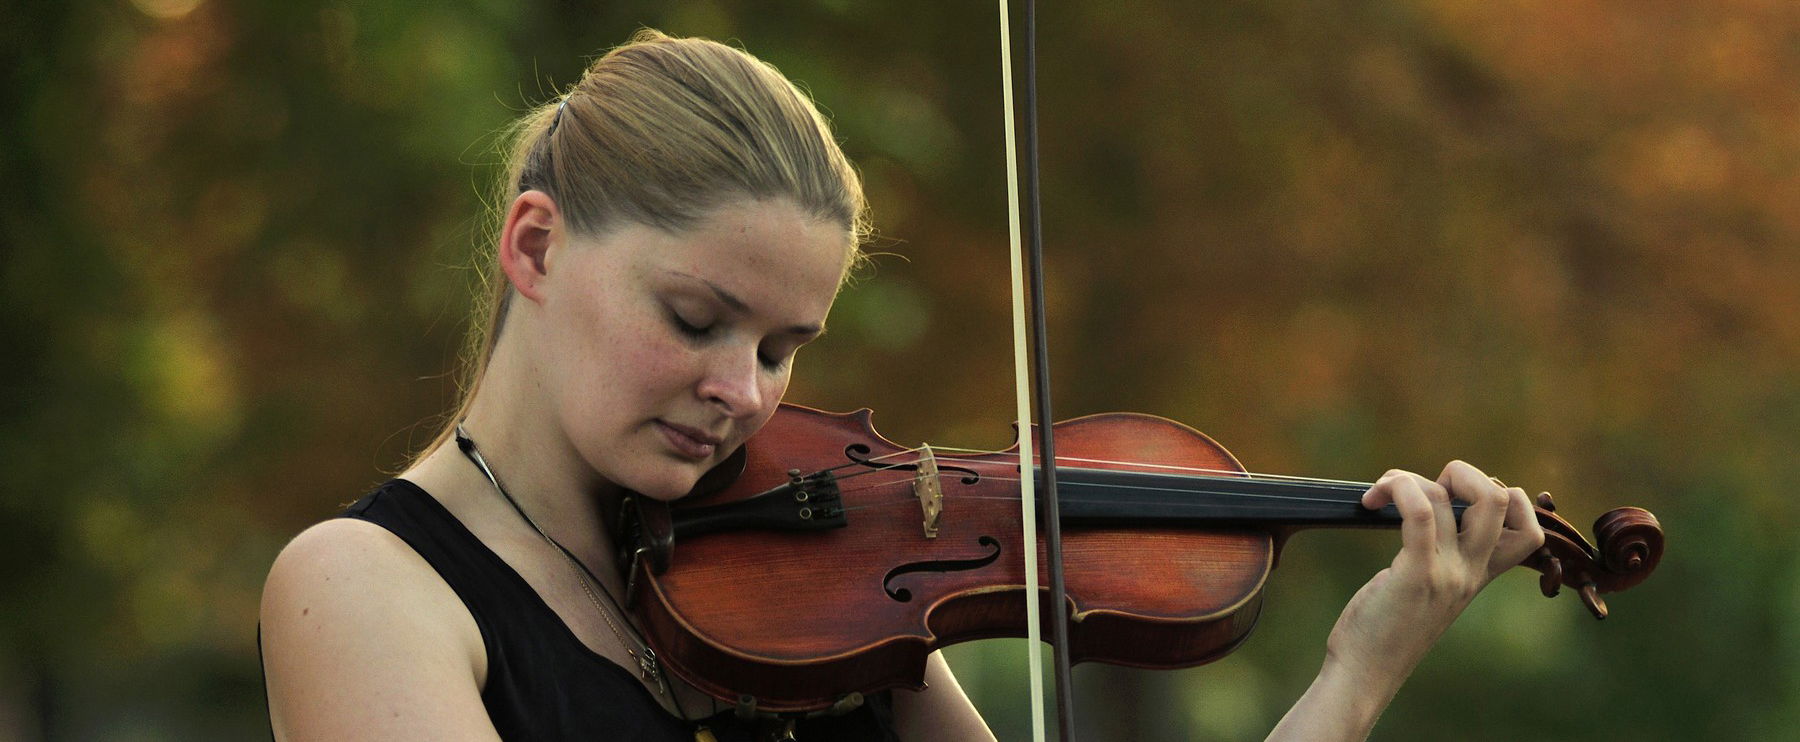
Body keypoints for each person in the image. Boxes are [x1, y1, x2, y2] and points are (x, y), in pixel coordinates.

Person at [259, 30, 1546, 742]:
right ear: (535, 246)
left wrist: (1356, 676)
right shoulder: (367, 589)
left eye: (781, 347)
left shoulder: (819, 594)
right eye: (698, 318)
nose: (746, 396)